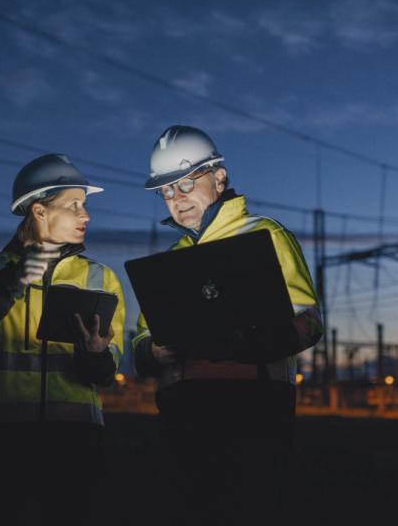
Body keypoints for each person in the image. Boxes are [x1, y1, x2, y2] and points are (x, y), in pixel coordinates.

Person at [131, 125, 324, 525]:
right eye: (166, 192)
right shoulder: (172, 258)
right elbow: (143, 337)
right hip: (183, 417)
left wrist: (258, 338)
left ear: (219, 178)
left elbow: (309, 320)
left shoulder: (265, 234)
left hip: (252, 412)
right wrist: (152, 350)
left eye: (186, 185)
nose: (176, 200)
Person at [0, 153, 125, 525]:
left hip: (74, 442)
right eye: (74, 205)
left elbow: (108, 369)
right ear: (39, 211)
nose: (86, 215)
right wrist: (11, 281)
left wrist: (95, 355)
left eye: (85, 206)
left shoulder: (100, 278)